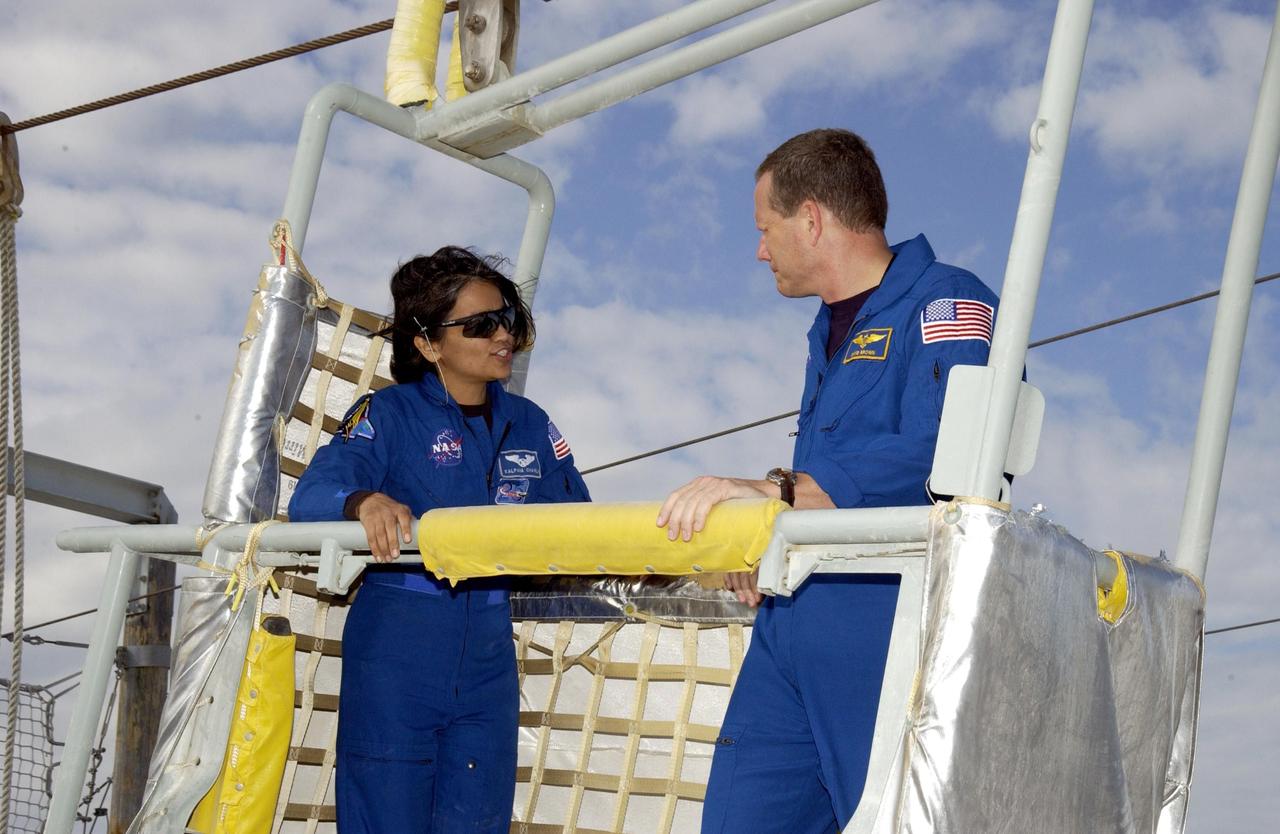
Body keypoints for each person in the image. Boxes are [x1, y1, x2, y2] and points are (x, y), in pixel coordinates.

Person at [655, 129, 999, 834]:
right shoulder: (826, 331)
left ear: (811, 218)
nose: (759, 250)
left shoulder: (947, 299)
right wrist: (775, 541)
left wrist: (778, 494)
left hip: (887, 620)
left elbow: (959, 456)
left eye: (764, 228)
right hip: (791, 621)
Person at [288, 246, 590, 833]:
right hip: (397, 657)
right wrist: (361, 501)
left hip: (488, 667)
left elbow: (577, 521)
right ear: (428, 345)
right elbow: (311, 495)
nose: (501, 335)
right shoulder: (390, 413)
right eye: (480, 325)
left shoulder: (531, 423)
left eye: (509, 319)